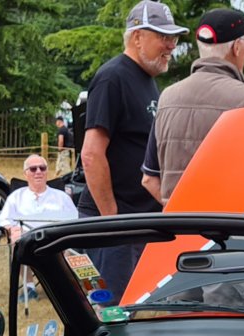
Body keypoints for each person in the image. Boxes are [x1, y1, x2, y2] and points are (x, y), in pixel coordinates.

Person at [76, 0, 187, 302]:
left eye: (174, 38)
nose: (171, 45)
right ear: (137, 36)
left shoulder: (148, 81)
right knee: (110, 315)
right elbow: (91, 153)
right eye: (163, 37)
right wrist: (113, 222)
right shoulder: (113, 77)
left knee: (133, 314)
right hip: (114, 226)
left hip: (136, 224)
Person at [141, 7, 244, 204]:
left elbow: (149, 178)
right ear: (237, 48)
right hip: (233, 228)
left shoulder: (166, 98)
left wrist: (181, 212)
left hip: (179, 229)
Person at [0, 155, 78, 242]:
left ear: (47, 172)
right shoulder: (16, 197)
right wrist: (11, 228)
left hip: (55, 243)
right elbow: (1, 220)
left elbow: (75, 221)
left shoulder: (62, 197)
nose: (38, 171)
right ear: (25, 174)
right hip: (25, 244)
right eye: (33, 169)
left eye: (42, 168)